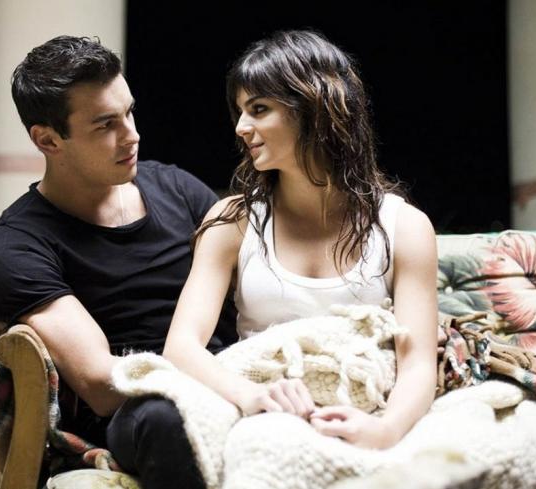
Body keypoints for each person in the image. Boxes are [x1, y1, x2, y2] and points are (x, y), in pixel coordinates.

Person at [0, 35, 236, 488]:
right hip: (137, 409)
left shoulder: (178, 190)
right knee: (167, 419)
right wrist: (208, 375)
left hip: (226, 370)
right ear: (47, 139)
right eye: (105, 125)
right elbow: (99, 384)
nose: (131, 135)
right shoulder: (17, 246)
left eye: (129, 112)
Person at [163, 29, 438, 449]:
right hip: (263, 414)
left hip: (367, 409)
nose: (241, 127)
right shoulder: (233, 221)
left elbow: (417, 364)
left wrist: (384, 431)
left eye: (259, 109)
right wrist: (251, 396)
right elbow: (181, 347)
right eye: (240, 111)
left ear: (315, 108)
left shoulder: (405, 227)